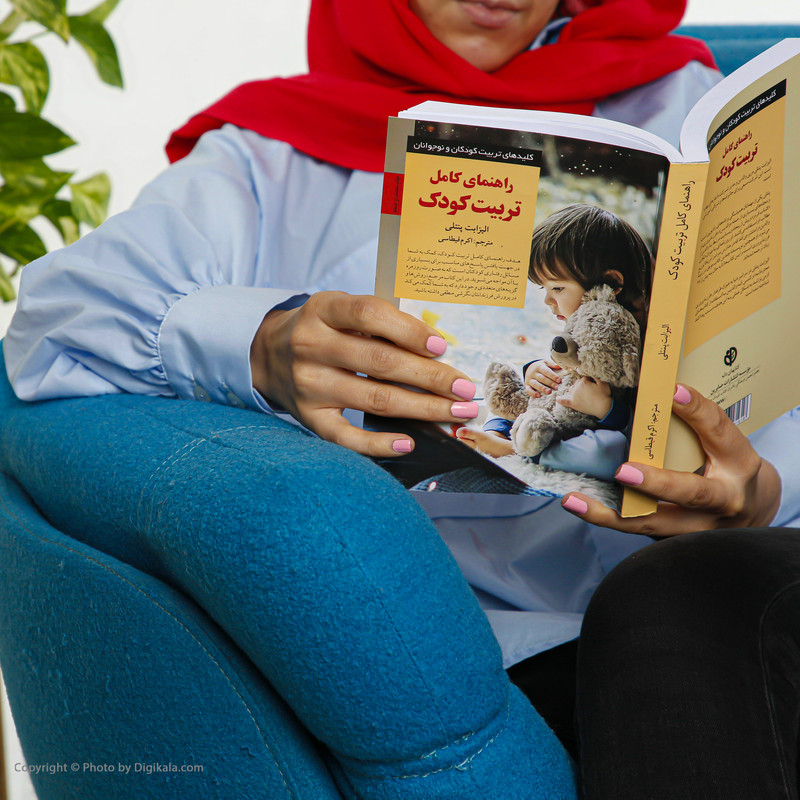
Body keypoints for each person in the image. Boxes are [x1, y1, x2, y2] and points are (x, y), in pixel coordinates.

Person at [3, 0, 797, 795]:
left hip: (760, 579)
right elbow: (55, 319)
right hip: (504, 650)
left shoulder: (687, 104)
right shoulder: (269, 158)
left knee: (685, 593)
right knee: (665, 608)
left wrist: (763, 494)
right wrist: (259, 342)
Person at [457, 203, 650, 481]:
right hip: (552, 417)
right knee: (514, 396)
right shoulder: (580, 324)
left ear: (610, 282)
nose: (548, 300)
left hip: (589, 434)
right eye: (544, 288)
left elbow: (644, 430)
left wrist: (605, 409)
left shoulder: (637, 342)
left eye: (557, 288)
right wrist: (536, 370)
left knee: (611, 450)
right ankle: (497, 433)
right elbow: (561, 366)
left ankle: (518, 451)